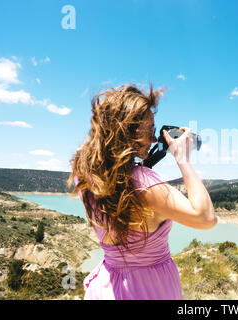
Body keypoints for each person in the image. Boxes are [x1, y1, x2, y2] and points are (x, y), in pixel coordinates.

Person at [68, 84, 217, 300]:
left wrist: (144, 158)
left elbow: (120, 180)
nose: (155, 138)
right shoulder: (144, 182)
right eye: (150, 129)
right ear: (127, 131)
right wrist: (182, 158)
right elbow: (205, 218)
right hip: (149, 289)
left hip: (108, 286)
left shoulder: (84, 175)